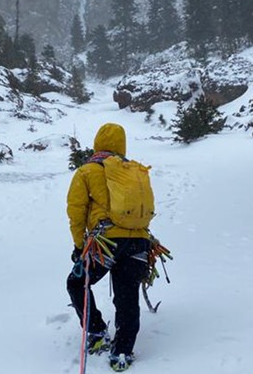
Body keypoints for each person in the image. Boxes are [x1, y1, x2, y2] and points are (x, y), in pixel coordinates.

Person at [66, 122, 152, 372]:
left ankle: (96, 332)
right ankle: (122, 351)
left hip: (105, 242)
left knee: (76, 283)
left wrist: (79, 245)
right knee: (127, 295)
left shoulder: (87, 171)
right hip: (139, 241)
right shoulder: (132, 172)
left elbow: (76, 212)